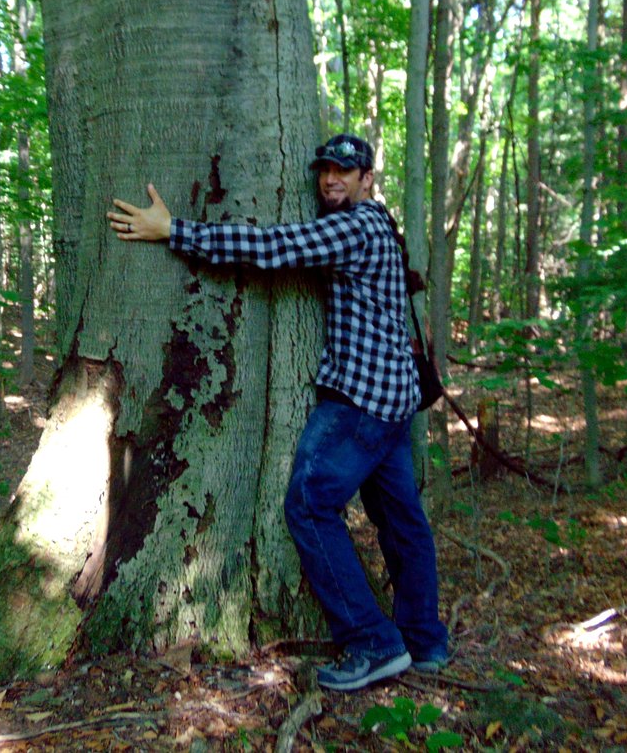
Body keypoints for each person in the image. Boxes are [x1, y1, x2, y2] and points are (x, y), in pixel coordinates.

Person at [107, 134, 449, 692]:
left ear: (368, 178)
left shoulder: (355, 224)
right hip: (395, 404)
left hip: (361, 404)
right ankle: (424, 640)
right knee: (404, 523)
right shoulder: (382, 223)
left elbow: (273, 248)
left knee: (310, 508)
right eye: (325, 171)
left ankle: (374, 642)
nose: (331, 179)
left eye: (346, 170)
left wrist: (173, 230)